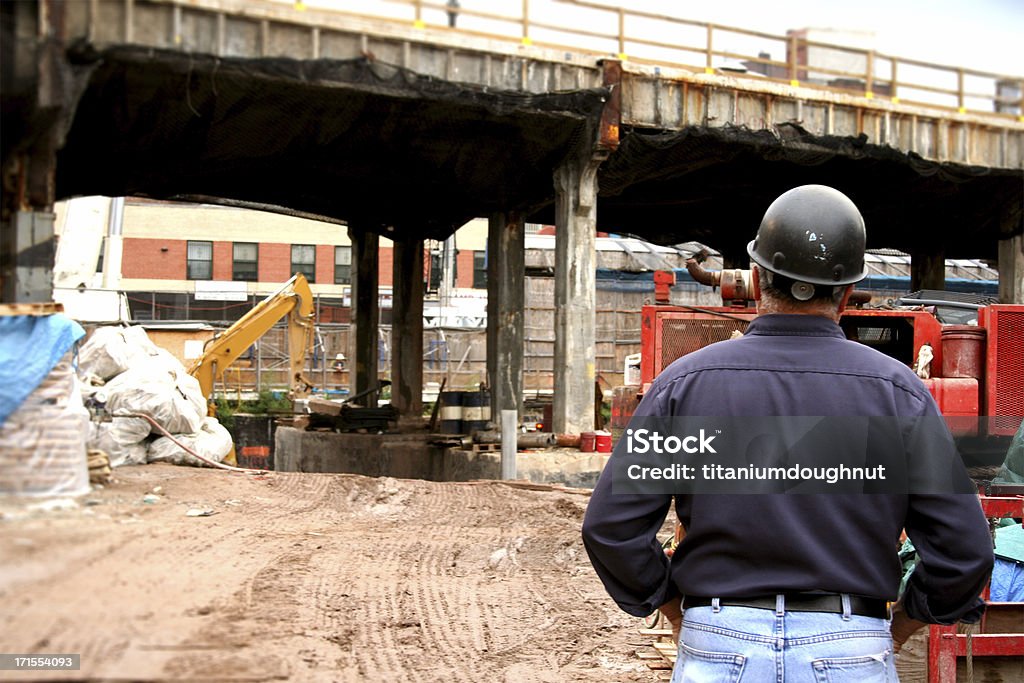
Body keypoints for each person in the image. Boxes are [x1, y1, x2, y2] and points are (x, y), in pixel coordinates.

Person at [582, 185, 993, 682]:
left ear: (756, 278)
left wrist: (670, 604)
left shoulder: (684, 386)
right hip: (849, 646)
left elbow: (611, 529)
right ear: (847, 291)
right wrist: (905, 622)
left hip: (719, 639)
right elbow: (965, 551)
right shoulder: (898, 394)